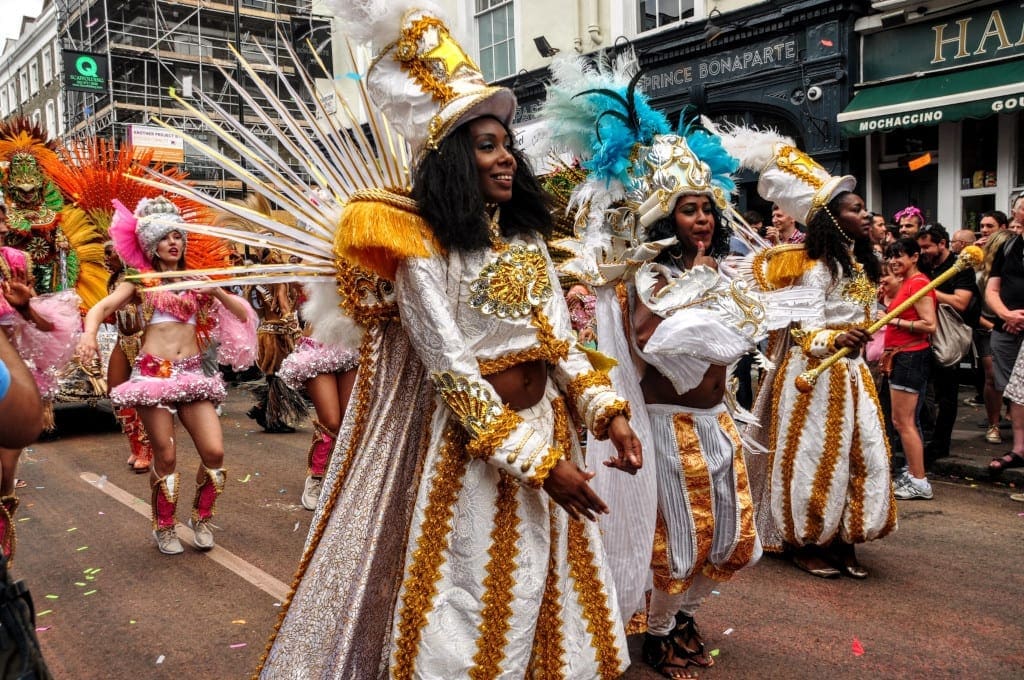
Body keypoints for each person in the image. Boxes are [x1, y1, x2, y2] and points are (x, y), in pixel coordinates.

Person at [255, 7, 643, 677]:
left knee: (553, 600)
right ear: (453, 159)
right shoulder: (422, 250)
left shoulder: (525, 238)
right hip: (473, 456)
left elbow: (561, 346)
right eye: (486, 144)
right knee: (474, 610)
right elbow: (455, 376)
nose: (504, 157)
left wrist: (606, 413)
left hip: (549, 435)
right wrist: (541, 466)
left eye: (507, 144)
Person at [626, 134, 762, 676]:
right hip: (667, 422)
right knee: (678, 535)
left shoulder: (725, 273)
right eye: (689, 209)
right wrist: (693, 294)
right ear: (667, 218)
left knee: (731, 533)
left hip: (716, 418)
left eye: (708, 208)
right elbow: (644, 341)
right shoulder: (650, 274)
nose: (702, 219)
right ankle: (659, 633)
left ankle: (681, 615)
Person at [731, 136, 896, 578]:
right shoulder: (813, 266)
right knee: (813, 456)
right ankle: (806, 539)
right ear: (831, 220)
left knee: (861, 455)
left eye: (864, 209)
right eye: (854, 210)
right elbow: (804, 331)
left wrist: (864, 339)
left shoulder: (861, 264)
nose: (864, 215)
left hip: (853, 377)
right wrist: (837, 340)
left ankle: (844, 536)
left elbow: (868, 314)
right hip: (814, 377)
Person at [77, 197, 255, 555]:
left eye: (178, 236)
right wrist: (89, 333)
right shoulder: (139, 281)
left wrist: (217, 290)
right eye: (165, 237)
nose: (173, 242)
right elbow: (103, 307)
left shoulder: (197, 280)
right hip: (152, 376)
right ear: (151, 244)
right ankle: (165, 526)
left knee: (214, 452)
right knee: (167, 457)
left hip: (192, 374)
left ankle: (202, 518)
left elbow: (242, 314)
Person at [276, 282, 359, 510]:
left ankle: (338, 479)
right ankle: (315, 477)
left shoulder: (362, 262)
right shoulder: (318, 260)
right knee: (330, 420)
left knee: (348, 424)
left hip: (351, 345)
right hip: (317, 346)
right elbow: (296, 281)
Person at [916, 224, 979, 464]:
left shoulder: (960, 267)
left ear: (942, 244)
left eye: (927, 247)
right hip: (924, 334)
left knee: (947, 392)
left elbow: (961, 302)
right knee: (921, 390)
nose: (923, 252)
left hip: (947, 336)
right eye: (920, 247)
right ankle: (926, 436)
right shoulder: (924, 264)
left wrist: (925, 290)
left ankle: (941, 444)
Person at [883, 238, 937, 499]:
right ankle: (913, 471)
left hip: (910, 357)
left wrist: (896, 320)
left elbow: (930, 325)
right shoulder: (907, 282)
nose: (894, 261)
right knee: (900, 420)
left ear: (915, 257)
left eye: (899, 256)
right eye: (891, 257)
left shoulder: (919, 284)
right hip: (902, 357)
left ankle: (919, 480)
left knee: (904, 422)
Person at [103, 241, 153, 473]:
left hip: (143, 340)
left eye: (109, 253)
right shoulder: (114, 281)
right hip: (122, 340)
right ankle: (135, 445)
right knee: (116, 393)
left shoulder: (140, 279)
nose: (105, 258)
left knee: (142, 397)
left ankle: (146, 448)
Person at [985, 199, 1024, 475]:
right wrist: (1006, 316)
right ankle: (1019, 448)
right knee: (1015, 391)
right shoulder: (1009, 246)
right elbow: (992, 288)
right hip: (1007, 327)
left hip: (1017, 324)